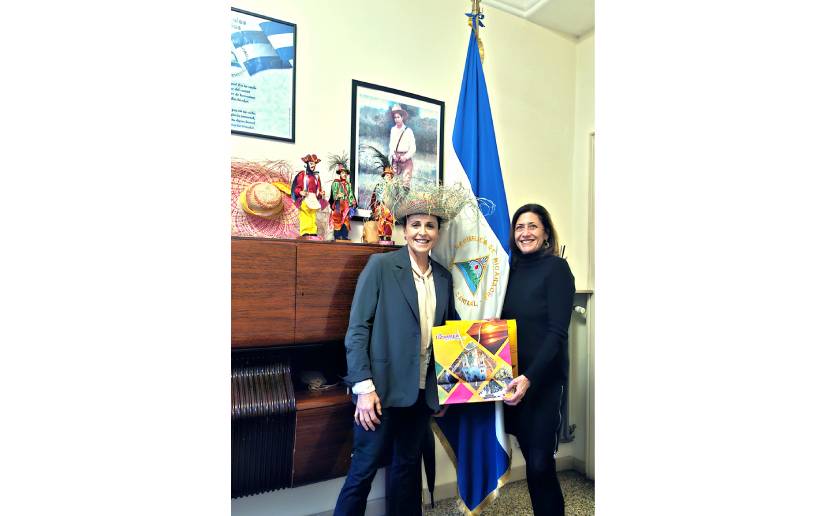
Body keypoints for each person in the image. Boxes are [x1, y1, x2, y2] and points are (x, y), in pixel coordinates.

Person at [334, 179, 469, 516]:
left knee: (406, 471)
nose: (423, 232)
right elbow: (357, 330)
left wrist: (445, 390)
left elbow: (448, 336)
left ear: (438, 232)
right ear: (404, 230)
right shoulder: (381, 267)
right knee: (362, 471)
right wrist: (364, 388)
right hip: (378, 393)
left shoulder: (443, 277)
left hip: (421, 394)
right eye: (416, 225)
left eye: (430, 225)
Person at [501, 203, 575, 516]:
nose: (525, 233)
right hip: (513, 382)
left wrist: (529, 378)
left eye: (532, 226)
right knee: (532, 462)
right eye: (520, 227)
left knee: (541, 463)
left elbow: (557, 332)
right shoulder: (509, 271)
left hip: (542, 382)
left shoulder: (557, 269)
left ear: (545, 233)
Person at [291, 153, 327, 237]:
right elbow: (296, 188)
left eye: (314, 164)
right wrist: (300, 192)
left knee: (313, 215)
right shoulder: (302, 175)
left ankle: (312, 231)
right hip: (305, 198)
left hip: (313, 199)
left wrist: (320, 194)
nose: (313, 165)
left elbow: (318, 190)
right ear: (307, 164)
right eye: (311, 163)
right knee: (305, 214)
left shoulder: (316, 177)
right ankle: (305, 232)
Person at [388, 104, 416, 187]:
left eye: (398, 117)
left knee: (406, 184)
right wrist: (393, 155)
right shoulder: (393, 130)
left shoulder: (408, 131)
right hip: (396, 159)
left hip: (406, 160)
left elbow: (413, 148)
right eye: (395, 117)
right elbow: (391, 145)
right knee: (394, 184)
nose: (396, 119)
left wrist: (405, 157)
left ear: (402, 117)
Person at [329, 163, 357, 240]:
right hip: (338, 204)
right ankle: (337, 236)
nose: (344, 174)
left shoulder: (348, 184)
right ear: (340, 174)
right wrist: (337, 196)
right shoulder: (336, 183)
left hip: (346, 204)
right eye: (343, 173)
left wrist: (353, 202)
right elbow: (334, 194)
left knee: (346, 219)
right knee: (338, 218)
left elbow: (350, 194)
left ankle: (344, 236)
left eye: (346, 173)